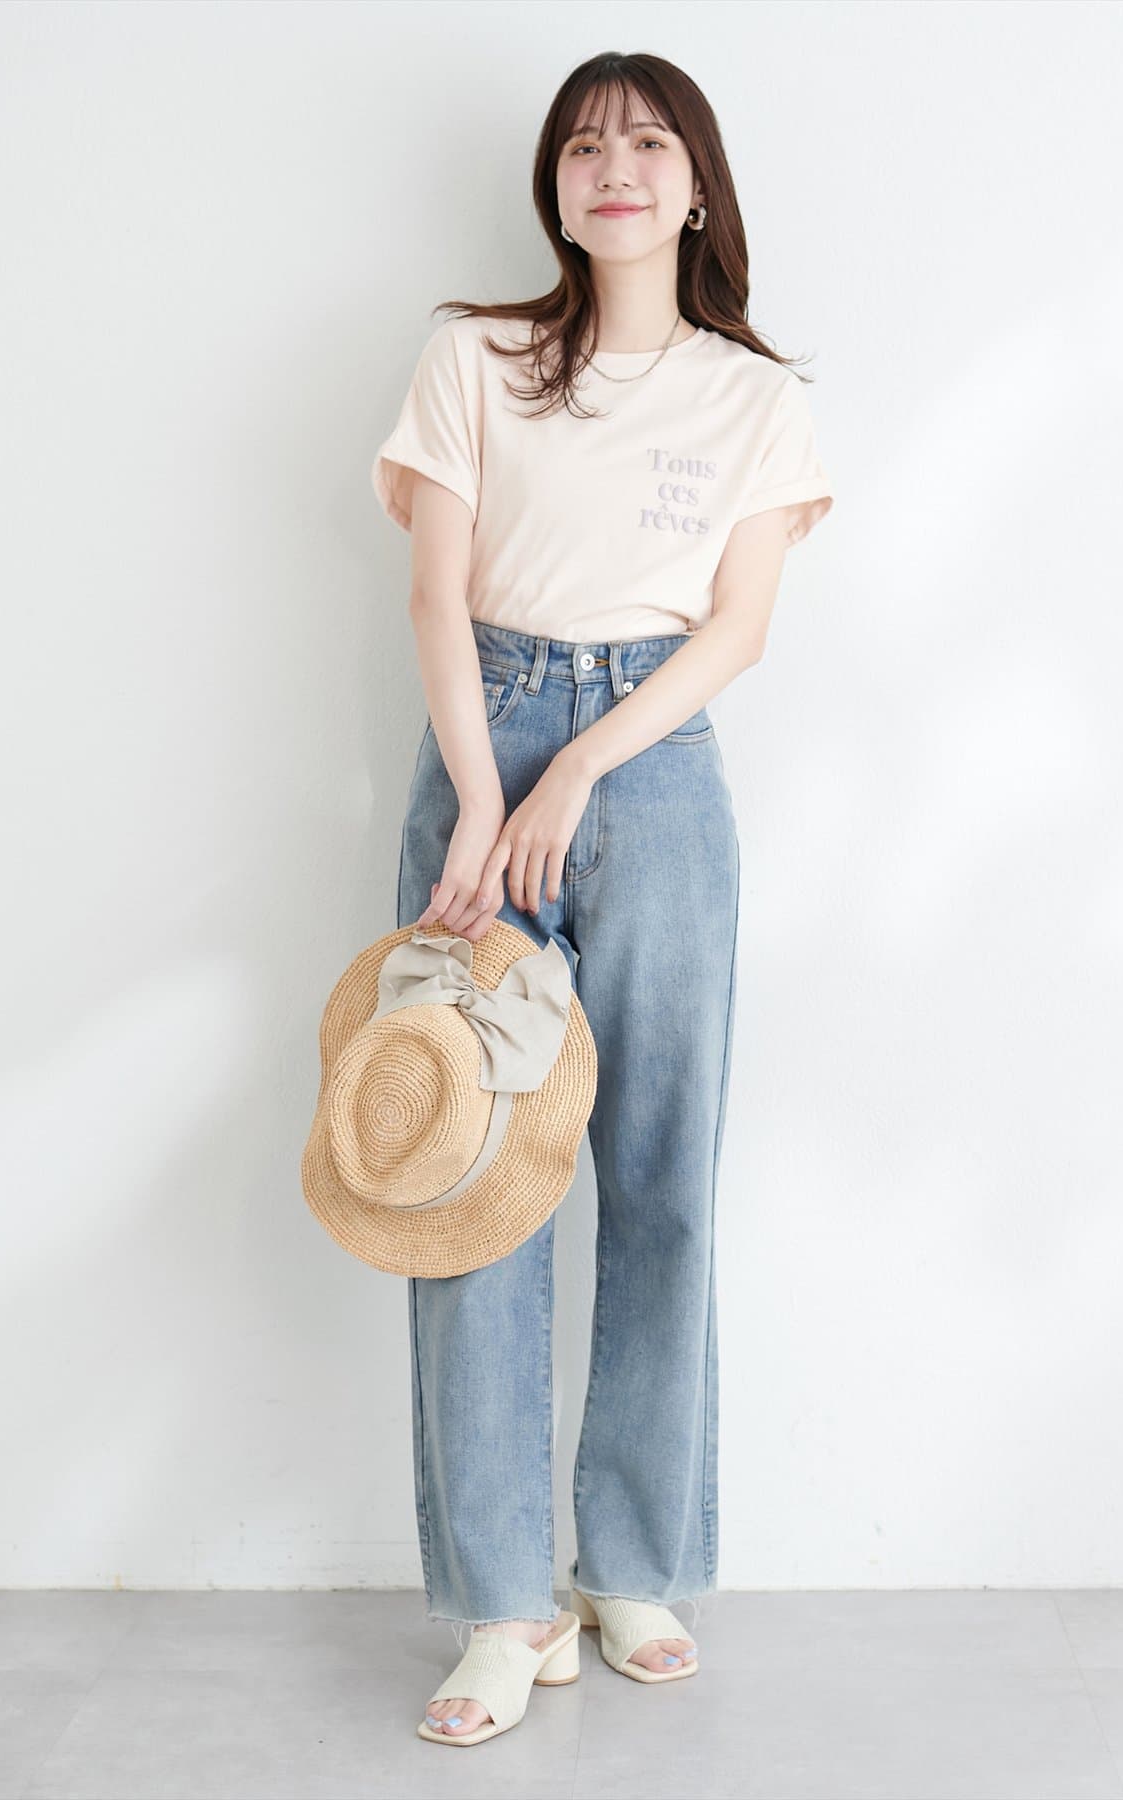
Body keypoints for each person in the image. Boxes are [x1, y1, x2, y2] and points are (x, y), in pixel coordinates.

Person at [371, 50, 834, 1744]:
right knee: (470, 1174)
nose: (612, 165)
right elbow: (435, 594)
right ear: (555, 189)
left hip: (654, 762)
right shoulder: (474, 357)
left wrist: (579, 770)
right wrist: (489, 797)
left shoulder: (754, 397)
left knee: (661, 1178)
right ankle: (506, 1605)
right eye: (582, 145)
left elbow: (738, 629)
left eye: (646, 142)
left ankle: (631, 1564)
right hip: (479, 747)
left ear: (696, 186)